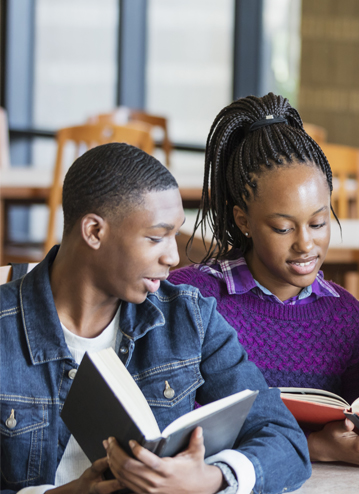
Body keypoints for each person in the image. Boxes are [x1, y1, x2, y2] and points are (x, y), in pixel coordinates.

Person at [0, 143, 310, 494]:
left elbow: (285, 439)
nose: (174, 257)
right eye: (155, 237)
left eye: (174, 234)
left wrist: (210, 479)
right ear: (94, 232)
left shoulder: (191, 318)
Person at [168, 94, 359, 467]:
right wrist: (313, 446)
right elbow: (177, 429)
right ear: (243, 220)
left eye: (318, 223)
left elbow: (358, 427)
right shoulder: (193, 298)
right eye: (283, 227)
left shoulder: (347, 318)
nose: (306, 244)